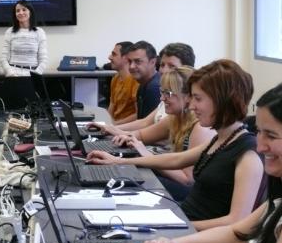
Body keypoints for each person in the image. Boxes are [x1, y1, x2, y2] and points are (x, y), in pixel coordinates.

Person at [119, 83, 282, 243]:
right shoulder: (277, 199)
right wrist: (177, 242)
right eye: (259, 132)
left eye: (272, 136)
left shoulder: (246, 152)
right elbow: (236, 235)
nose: (260, 145)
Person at [88, 60, 263, 233]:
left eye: (198, 99)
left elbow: (237, 222)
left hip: (197, 236)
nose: (192, 106)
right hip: (185, 221)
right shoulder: (222, 139)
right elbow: (177, 159)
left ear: (222, 100)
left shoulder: (248, 156)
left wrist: (177, 224)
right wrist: (116, 162)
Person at [115, 67, 215, 201]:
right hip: (181, 184)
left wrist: (148, 156)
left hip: (193, 194)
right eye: (162, 92)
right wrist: (116, 132)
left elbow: (187, 180)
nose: (162, 98)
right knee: (131, 175)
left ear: (187, 96)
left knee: (137, 181)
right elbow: (141, 134)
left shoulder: (200, 129)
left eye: (168, 93)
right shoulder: (175, 119)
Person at [96, 42, 196, 136]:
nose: (164, 70)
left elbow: (148, 133)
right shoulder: (164, 97)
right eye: (162, 65)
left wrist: (114, 130)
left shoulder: (155, 88)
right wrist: (109, 128)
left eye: (171, 66)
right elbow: (145, 123)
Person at [0, 0, 48, 76]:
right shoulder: (9, 31)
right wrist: (10, 73)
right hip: (13, 75)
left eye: (24, 10)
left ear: (30, 12)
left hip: (33, 74)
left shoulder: (40, 32)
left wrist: (36, 74)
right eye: (17, 11)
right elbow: (3, 58)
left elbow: (44, 59)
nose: (21, 13)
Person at [106, 41, 138, 124]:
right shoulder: (115, 78)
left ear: (126, 58)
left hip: (127, 130)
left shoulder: (135, 81)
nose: (109, 57)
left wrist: (114, 125)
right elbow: (111, 106)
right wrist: (106, 124)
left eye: (114, 54)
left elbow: (138, 115)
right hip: (114, 127)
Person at [127, 40, 161, 120]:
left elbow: (149, 127)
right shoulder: (143, 84)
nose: (131, 66)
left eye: (137, 61)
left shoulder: (154, 87)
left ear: (153, 62)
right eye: (129, 61)